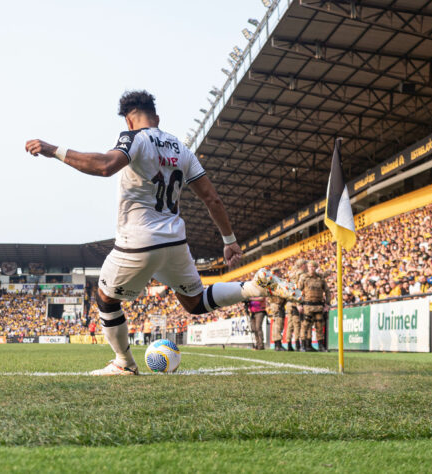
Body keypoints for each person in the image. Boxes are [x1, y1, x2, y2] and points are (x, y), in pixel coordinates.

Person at [25, 90, 276, 375]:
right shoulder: (182, 149)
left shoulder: (134, 138)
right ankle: (252, 288)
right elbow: (212, 199)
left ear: (128, 121)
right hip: (175, 241)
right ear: (156, 117)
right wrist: (229, 241)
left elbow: (106, 166)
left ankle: (124, 363)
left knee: (107, 299)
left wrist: (54, 150)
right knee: (194, 302)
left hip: (139, 240)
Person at [298, 261, 331, 352]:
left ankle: (321, 346)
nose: (311, 268)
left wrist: (327, 304)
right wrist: (298, 304)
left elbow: (327, 291)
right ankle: (303, 346)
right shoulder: (303, 278)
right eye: (309, 266)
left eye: (313, 267)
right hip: (307, 305)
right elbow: (297, 291)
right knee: (305, 326)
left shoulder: (320, 278)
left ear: (316, 267)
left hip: (318, 306)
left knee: (320, 326)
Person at [267, 269, 287, 351]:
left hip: (278, 304)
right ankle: (278, 345)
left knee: (278, 324)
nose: (281, 274)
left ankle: (277, 344)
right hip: (276, 304)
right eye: (279, 273)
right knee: (278, 324)